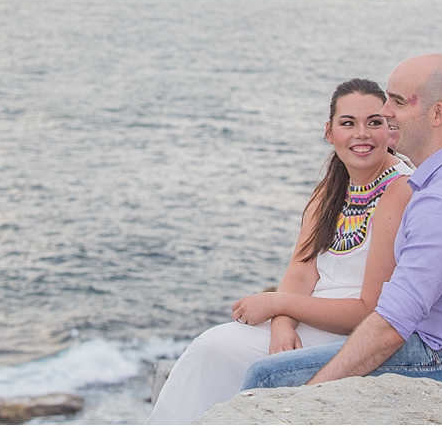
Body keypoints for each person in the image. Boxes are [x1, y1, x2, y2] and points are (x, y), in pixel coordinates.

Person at [242, 54, 442, 414]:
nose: (385, 111)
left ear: (437, 115)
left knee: (266, 380)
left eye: (399, 102)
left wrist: (311, 400)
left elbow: (390, 326)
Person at [145, 78, 413, 424]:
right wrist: (282, 326)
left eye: (374, 122)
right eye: (348, 123)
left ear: (390, 130)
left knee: (215, 349)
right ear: (330, 133)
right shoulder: (329, 191)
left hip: (356, 338)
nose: (361, 133)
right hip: (311, 322)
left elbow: (369, 310)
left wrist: (276, 304)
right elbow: (300, 272)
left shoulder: (400, 190)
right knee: (211, 347)